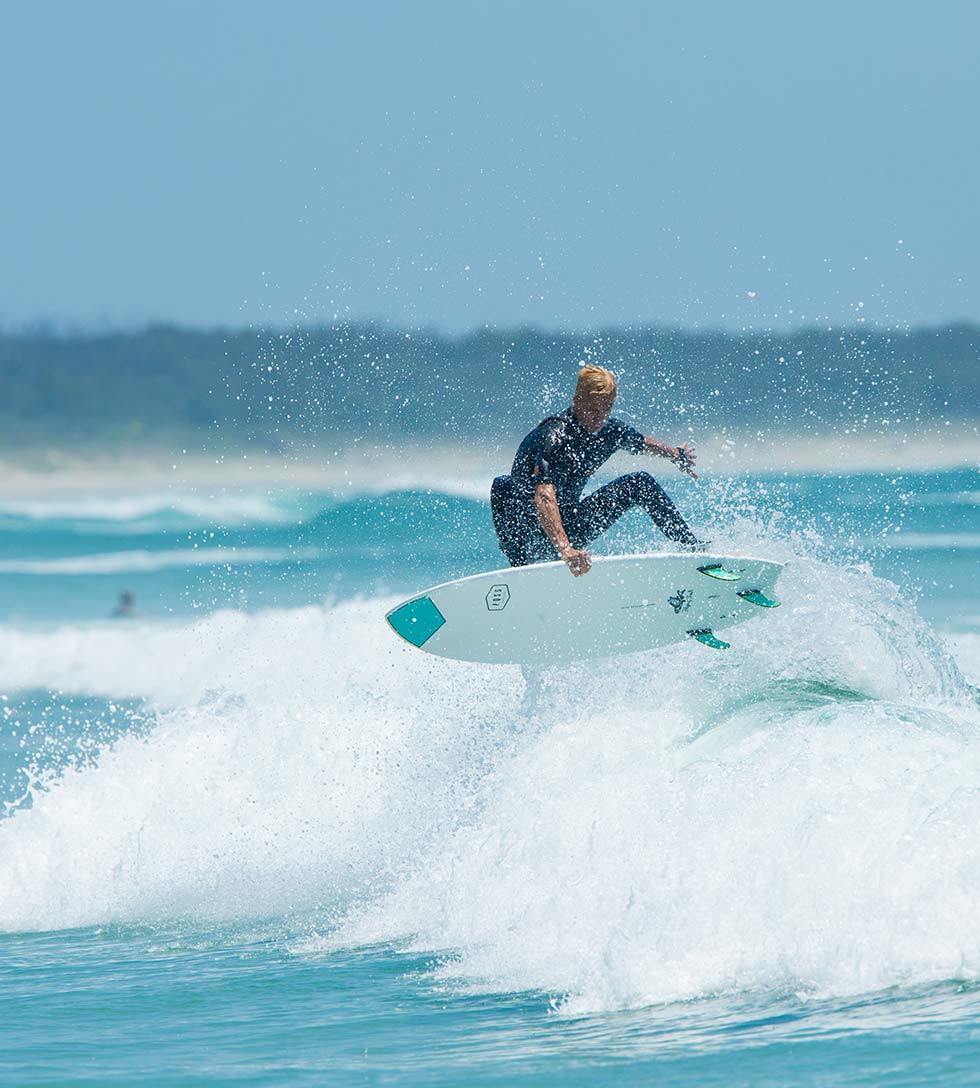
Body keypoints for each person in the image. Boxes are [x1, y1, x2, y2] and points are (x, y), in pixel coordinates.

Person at [491, 365, 708, 577]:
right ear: (577, 401)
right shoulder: (555, 434)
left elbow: (642, 443)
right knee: (502, 485)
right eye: (593, 410)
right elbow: (544, 495)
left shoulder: (609, 432)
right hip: (530, 533)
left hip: (571, 527)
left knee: (640, 482)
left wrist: (675, 455)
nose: (600, 417)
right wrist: (565, 549)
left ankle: (693, 550)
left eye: (607, 409)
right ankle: (518, 572)